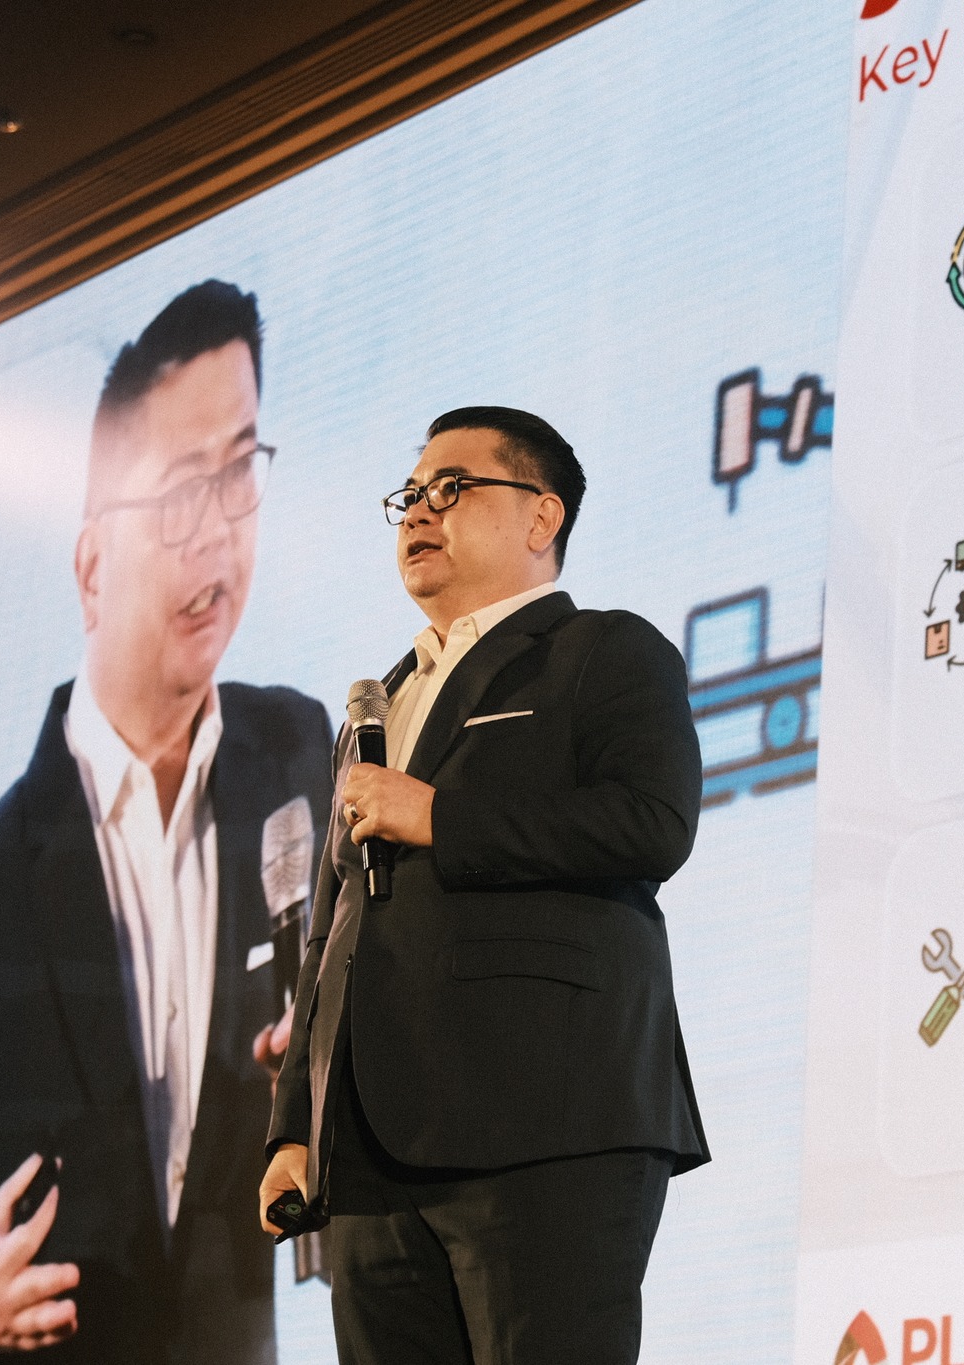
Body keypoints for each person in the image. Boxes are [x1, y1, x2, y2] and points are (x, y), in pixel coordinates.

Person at [0, 280, 331, 1365]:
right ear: (90, 568)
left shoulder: (295, 759)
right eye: (179, 494)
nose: (218, 533)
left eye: (239, 472)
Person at [260, 406, 708, 1365]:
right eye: (411, 494)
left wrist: (441, 816)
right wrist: (296, 1126)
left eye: (452, 488)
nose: (421, 510)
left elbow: (653, 822)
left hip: (549, 1122)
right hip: (372, 1152)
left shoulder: (605, 650)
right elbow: (335, 929)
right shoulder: (380, 703)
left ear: (542, 516)